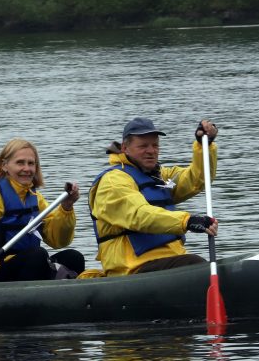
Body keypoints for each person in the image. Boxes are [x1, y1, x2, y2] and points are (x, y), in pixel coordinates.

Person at [86, 117, 219, 276]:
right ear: (125, 148)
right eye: (143, 146)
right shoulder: (113, 182)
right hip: (132, 268)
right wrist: (187, 221)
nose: (151, 150)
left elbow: (197, 179)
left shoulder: (159, 177)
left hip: (169, 258)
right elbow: (139, 215)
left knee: (195, 264)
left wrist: (204, 145)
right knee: (195, 264)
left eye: (155, 145)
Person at [0, 138, 84, 282]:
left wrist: (66, 208)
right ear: (5, 165)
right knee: (38, 255)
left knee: (74, 258)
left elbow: (59, 241)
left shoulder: (36, 200)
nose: (27, 169)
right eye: (20, 162)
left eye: (31, 163)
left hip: (25, 266)